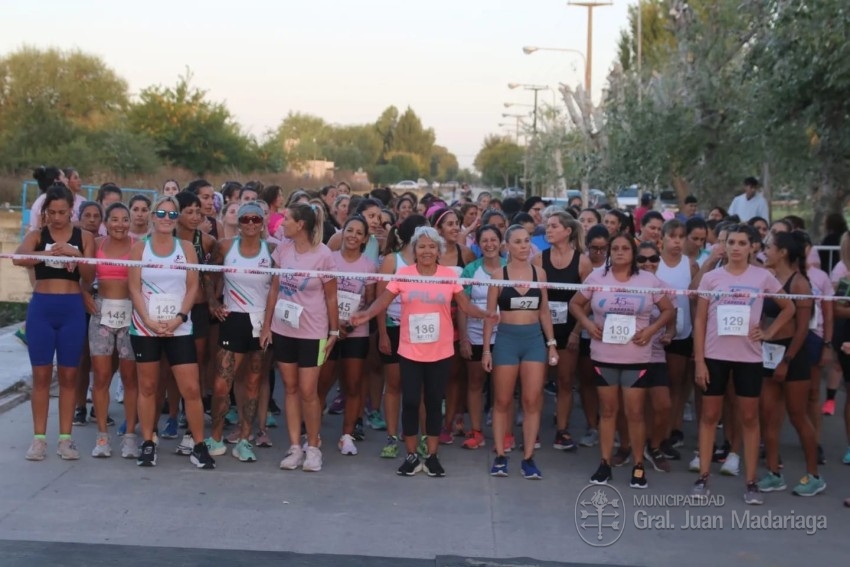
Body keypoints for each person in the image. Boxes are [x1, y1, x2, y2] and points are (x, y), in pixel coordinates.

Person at [350, 226, 497, 477]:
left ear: (438, 251)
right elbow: (382, 301)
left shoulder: (448, 276)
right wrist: (365, 314)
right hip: (409, 350)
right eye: (422, 246)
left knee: (432, 402)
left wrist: (484, 314)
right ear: (414, 250)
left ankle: (431, 455)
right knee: (409, 401)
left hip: (440, 351)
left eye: (431, 246)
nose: (427, 251)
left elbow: (465, 305)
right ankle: (410, 455)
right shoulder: (403, 274)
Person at [692, 224, 793, 503]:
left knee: (749, 418)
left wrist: (769, 332)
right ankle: (702, 477)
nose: (735, 248)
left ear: (753, 247)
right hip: (714, 355)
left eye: (741, 243)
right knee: (710, 416)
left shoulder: (762, 277)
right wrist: (699, 360)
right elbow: (700, 320)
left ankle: (751, 482)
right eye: (731, 242)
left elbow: (790, 307)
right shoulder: (712, 278)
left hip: (749, 357)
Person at [569, 233, 674, 489]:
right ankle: (604, 463)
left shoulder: (648, 280)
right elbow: (575, 303)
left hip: (636, 357)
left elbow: (669, 309)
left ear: (633, 252)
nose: (619, 252)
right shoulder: (597, 277)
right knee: (607, 411)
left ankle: (638, 465)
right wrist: (587, 323)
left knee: (635, 413)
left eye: (625, 248)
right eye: (614, 248)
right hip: (604, 355)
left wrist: (651, 330)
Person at [128, 195, 214, 469]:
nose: (166, 219)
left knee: (190, 387)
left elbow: (192, 287)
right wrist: (149, 321)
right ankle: (148, 442)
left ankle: (199, 445)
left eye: (171, 215)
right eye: (161, 214)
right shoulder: (139, 249)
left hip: (179, 327)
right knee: (149, 386)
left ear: (177, 220)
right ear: (153, 217)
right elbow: (133, 288)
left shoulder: (186, 248)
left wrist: (179, 318)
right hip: (145, 327)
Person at [15, 185, 95, 461]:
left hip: (71, 309)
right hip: (42, 309)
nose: (57, 217)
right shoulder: (37, 235)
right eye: (52, 212)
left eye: (62, 212)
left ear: (71, 211)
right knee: (41, 375)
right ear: (46, 212)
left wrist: (75, 254)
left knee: (69, 375)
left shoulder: (83, 236)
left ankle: (65, 439)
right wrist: (47, 255)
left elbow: (90, 274)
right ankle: (38, 439)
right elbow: (18, 258)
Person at [260, 203, 338, 473]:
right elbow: (274, 289)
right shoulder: (283, 250)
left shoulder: (324, 255)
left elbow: (331, 295)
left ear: (301, 224)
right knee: (290, 388)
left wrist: (335, 331)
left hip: (313, 331)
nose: (282, 224)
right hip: (284, 329)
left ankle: (313, 446)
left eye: (287, 220)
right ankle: (294, 447)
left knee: (308, 391)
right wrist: (267, 325)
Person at [485, 225, 558, 479]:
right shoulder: (498, 275)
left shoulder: (540, 273)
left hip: (534, 341)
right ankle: (501, 456)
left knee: (531, 400)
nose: (524, 246)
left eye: (527, 241)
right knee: (503, 401)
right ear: (507, 246)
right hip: (506, 339)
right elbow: (490, 316)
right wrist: (486, 350)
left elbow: (545, 311)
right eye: (517, 242)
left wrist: (552, 344)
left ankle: (528, 458)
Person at [203, 202, 275, 463]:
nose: (251, 224)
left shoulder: (272, 250)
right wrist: (213, 304)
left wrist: (268, 325)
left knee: (253, 384)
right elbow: (208, 275)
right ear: (239, 222)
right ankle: (216, 438)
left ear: (263, 222)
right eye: (246, 219)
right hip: (233, 318)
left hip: (259, 322)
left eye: (256, 219)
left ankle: (245, 440)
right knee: (222, 384)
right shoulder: (225, 246)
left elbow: (277, 290)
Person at [755, 231, 825, 496]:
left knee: (797, 416)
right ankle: (774, 473)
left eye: (769, 247)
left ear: (783, 252)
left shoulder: (799, 284)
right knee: (768, 415)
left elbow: (802, 329)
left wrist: (787, 360)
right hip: (768, 352)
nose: (765, 251)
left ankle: (814, 475)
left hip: (792, 356)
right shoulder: (768, 278)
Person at [317, 215, 377, 456]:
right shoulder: (328, 259)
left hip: (356, 332)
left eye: (358, 233)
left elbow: (371, 301)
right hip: (327, 330)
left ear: (365, 239)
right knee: (321, 384)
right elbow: (319, 294)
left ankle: (347, 435)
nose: (352, 236)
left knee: (353, 385)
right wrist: (334, 324)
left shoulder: (369, 266)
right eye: (349, 230)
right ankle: (312, 432)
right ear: (342, 233)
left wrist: (351, 324)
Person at [533, 212, 593, 451]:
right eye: (547, 226)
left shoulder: (582, 262)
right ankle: (533, 429)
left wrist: (577, 331)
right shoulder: (539, 259)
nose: (548, 230)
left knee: (565, 381)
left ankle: (562, 430)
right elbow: (536, 297)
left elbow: (587, 300)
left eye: (554, 226)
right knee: (537, 382)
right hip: (541, 329)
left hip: (569, 329)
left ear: (567, 231)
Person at [374, 215, 429, 458]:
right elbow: (380, 301)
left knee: (421, 389)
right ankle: (392, 436)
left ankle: (424, 436)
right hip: (394, 328)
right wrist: (383, 334)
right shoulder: (391, 261)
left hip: (421, 331)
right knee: (394, 385)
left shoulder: (428, 260)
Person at [88, 203, 139, 459]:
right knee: (101, 376)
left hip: (131, 314)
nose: (120, 224)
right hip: (101, 313)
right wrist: (85, 294)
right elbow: (81, 275)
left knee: (130, 378)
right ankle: (102, 436)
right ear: (106, 222)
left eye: (124, 219)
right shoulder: (95, 243)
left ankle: (130, 436)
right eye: (115, 219)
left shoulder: (138, 246)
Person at [458, 224, 505, 450]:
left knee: (502, 387)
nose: (489, 244)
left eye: (493, 239)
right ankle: (476, 431)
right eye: (484, 240)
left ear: (501, 242)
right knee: (475, 384)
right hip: (476, 335)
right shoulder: (470, 270)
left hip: (505, 337)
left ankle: (504, 433)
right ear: (477, 244)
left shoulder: (511, 268)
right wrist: (464, 338)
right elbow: (462, 306)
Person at [635, 241, 678, 473]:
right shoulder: (626, 284)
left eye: (653, 259)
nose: (648, 263)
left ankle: (654, 446)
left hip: (656, 354)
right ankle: (626, 446)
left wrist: (669, 334)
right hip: (629, 354)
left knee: (663, 405)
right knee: (628, 408)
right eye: (642, 259)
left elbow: (673, 324)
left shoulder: (667, 288)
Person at [657, 220, 698, 456]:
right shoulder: (655, 264)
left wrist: (695, 334)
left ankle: (672, 431)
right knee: (656, 384)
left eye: (681, 237)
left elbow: (694, 303)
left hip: (683, 333)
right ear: (662, 238)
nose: (676, 241)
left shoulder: (689, 265)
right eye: (672, 236)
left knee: (677, 383)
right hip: (656, 331)